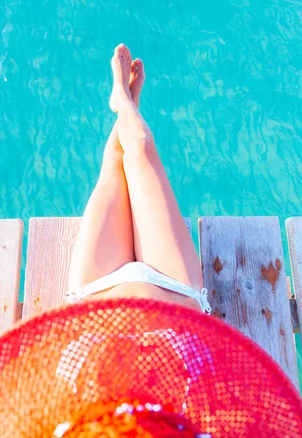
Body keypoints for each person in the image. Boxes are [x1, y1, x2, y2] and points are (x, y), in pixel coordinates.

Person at [65, 44, 211, 314]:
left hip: (95, 293)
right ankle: (124, 102)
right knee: (141, 147)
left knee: (115, 163)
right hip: (174, 290)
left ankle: (124, 102)